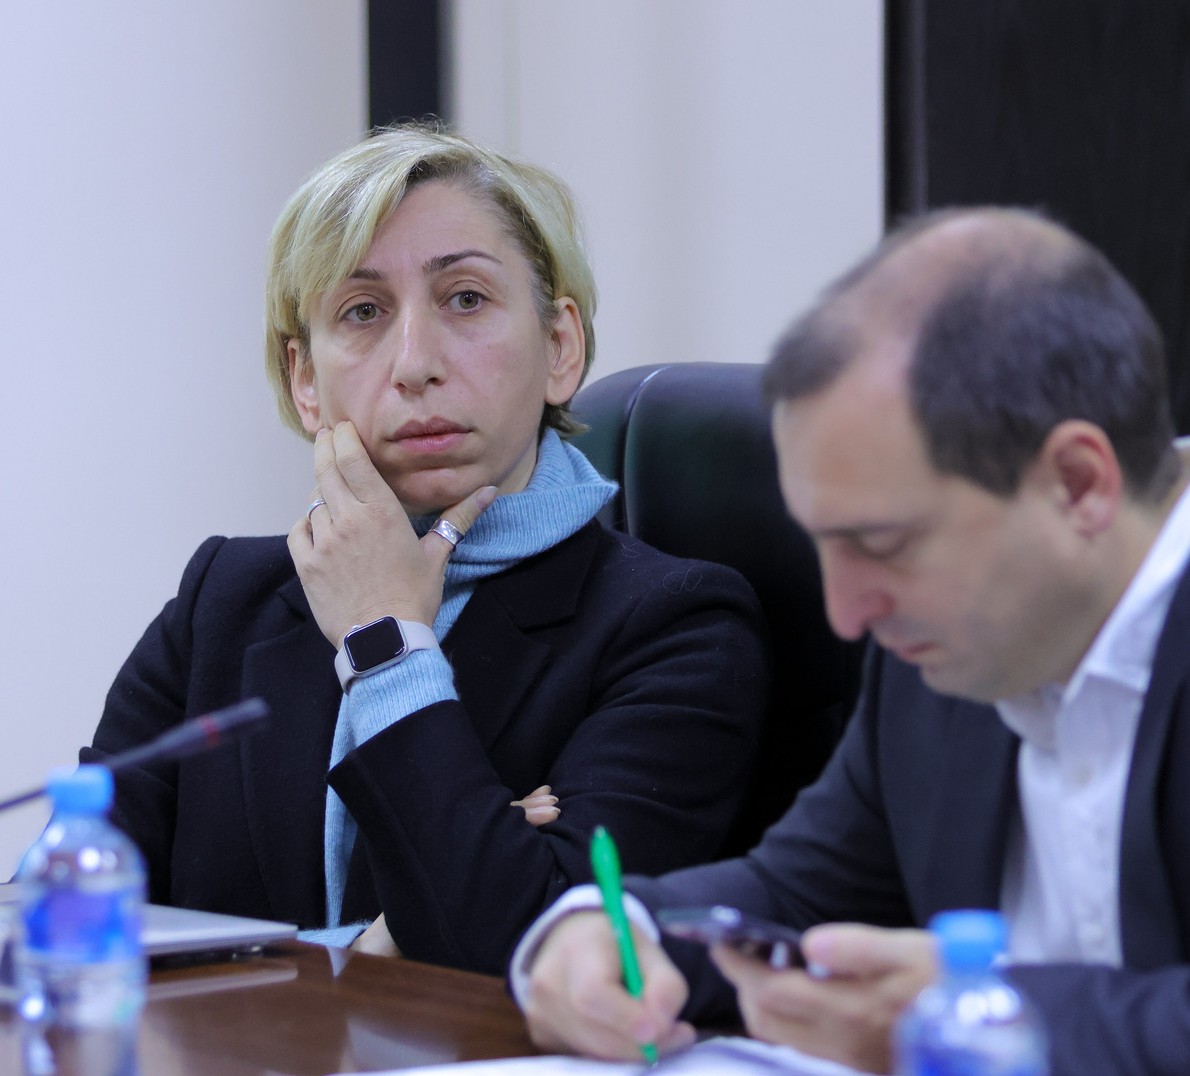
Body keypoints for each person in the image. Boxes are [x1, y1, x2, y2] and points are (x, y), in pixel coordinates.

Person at [512, 208, 1190, 1076]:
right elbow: (797, 891)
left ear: (1078, 484)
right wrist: (607, 927)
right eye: (823, 545)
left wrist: (985, 1013)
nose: (846, 612)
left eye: (882, 544)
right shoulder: (946, 637)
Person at [83, 126, 768, 976]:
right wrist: (362, 953)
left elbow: (548, 962)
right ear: (305, 381)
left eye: (466, 299)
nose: (415, 364)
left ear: (560, 348)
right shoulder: (220, 602)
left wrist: (384, 641)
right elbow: (66, 922)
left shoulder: (680, 628)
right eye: (363, 312)